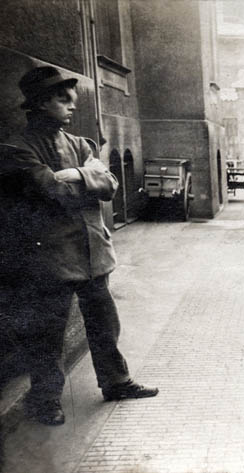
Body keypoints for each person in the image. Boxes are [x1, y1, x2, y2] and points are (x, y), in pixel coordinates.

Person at [0, 66, 158, 426]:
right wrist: (89, 176)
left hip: (92, 255)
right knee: (48, 334)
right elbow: (51, 191)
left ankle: (117, 382)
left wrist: (79, 174)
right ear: (40, 104)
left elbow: (111, 185)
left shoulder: (81, 144)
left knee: (104, 324)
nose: (71, 107)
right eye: (62, 100)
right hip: (51, 258)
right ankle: (45, 401)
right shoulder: (16, 149)